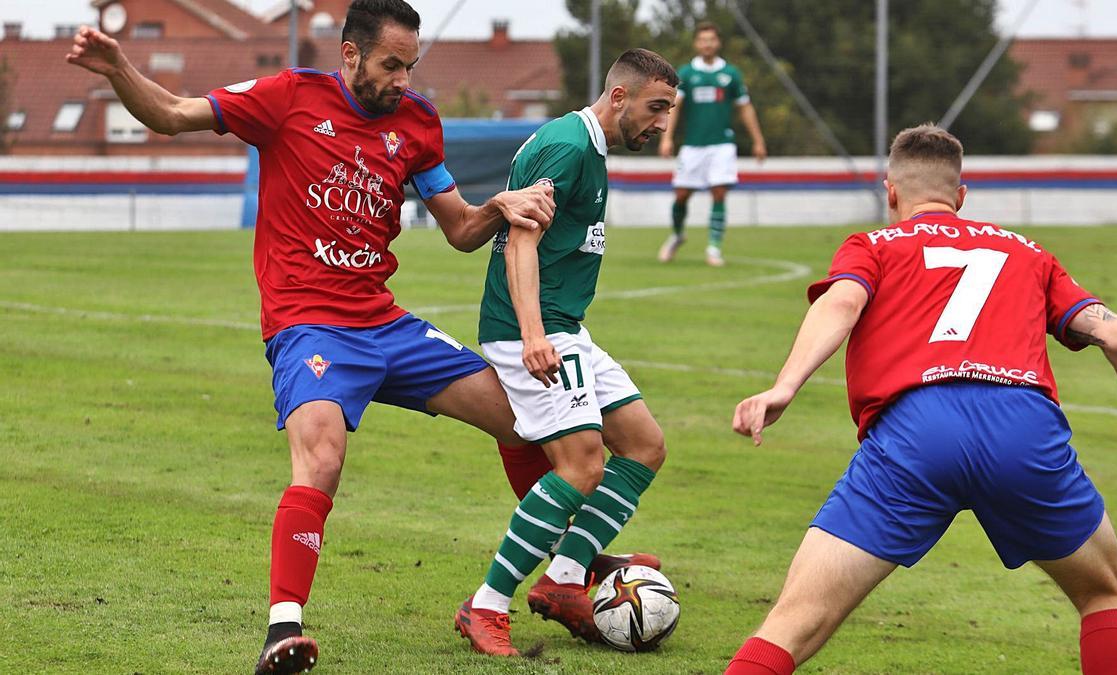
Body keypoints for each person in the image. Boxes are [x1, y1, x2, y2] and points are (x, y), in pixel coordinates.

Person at [66, 2, 562, 673]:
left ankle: (559, 570)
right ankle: (282, 629)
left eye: (411, 65)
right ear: (351, 54)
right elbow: (172, 114)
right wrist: (119, 66)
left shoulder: (415, 121)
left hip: (386, 322)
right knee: (323, 457)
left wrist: (498, 205)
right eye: (391, 64)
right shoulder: (287, 98)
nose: (402, 79)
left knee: (522, 419)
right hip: (310, 325)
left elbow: (460, 231)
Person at [724, 124, 1117, 675]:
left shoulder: (871, 245)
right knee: (1104, 593)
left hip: (917, 433)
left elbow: (841, 303)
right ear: (961, 197)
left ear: (890, 191)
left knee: (795, 620)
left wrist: (785, 385)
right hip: (1023, 430)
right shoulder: (1028, 253)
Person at [453, 49, 680, 657]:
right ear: (619, 97)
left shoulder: (591, 150)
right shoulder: (569, 148)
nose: (661, 123)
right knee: (582, 465)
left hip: (566, 326)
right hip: (535, 327)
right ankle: (487, 606)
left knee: (644, 445)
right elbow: (519, 242)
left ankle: (565, 580)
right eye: (656, 108)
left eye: (669, 111)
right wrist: (533, 335)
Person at [657, 21, 766, 267]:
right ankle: (677, 235)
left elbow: (745, 108)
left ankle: (714, 248)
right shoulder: (685, 74)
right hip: (693, 146)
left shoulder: (731, 74)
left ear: (718, 43)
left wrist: (758, 140)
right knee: (682, 195)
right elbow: (675, 108)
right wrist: (666, 138)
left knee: (719, 192)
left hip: (722, 144)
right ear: (697, 43)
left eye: (711, 39)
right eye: (703, 39)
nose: (707, 44)